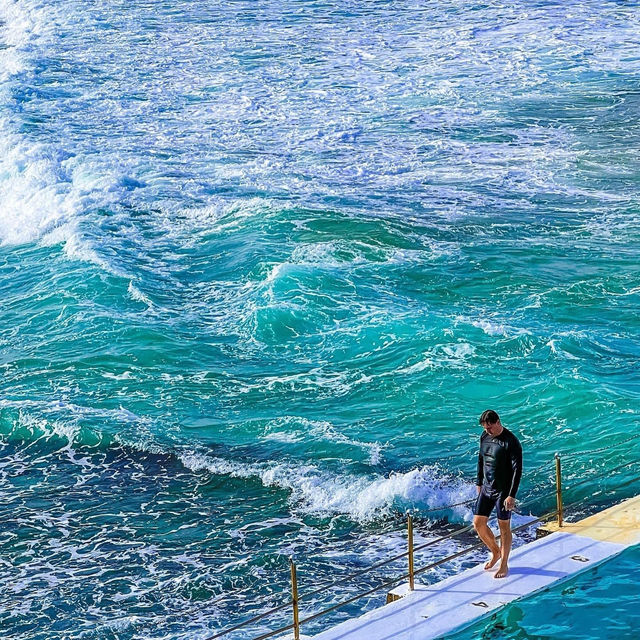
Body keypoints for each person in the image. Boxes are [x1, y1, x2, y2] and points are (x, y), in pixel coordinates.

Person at [473, 409, 522, 579]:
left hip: (503, 491)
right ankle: (495, 552)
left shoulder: (511, 441)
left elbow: (518, 470)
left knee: (504, 528)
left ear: (498, 422)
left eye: (490, 428)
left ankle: (504, 563)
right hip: (487, 488)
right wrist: (479, 482)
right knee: (478, 523)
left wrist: (511, 495)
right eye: (485, 428)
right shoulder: (484, 437)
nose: (487, 431)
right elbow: (481, 459)